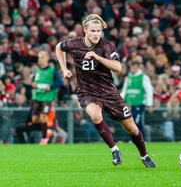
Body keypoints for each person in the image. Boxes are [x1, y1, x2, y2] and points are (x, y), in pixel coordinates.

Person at [55, 14, 156, 168]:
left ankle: (144, 156)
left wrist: (99, 58)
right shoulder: (74, 44)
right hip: (87, 92)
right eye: (93, 31)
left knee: (132, 128)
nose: (96, 34)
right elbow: (59, 47)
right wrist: (64, 69)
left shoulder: (105, 46)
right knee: (95, 115)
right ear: (85, 30)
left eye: (98, 31)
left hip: (109, 92)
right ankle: (114, 149)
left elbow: (118, 68)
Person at [31, 51, 62, 145]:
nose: (39, 59)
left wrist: (51, 87)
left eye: (42, 57)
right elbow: (35, 82)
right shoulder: (37, 70)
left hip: (47, 98)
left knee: (43, 118)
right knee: (34, 120)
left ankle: (44, 138)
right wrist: (33, 84)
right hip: (37, 97)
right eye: (39, 57)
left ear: (47, 59)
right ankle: (47, 131)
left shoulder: (52, 70)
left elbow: (59, 82)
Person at [120, 61, 153, 139]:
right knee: (136, 123)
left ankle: (137, 139)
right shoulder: (129, 77)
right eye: (132, 68)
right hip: (129, 104)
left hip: (139, 103)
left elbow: (149, 90)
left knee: (136, 122)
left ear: (138, 67)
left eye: (134, 68)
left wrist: (149, 104)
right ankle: (142, 139)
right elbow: (125, 90)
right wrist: (120, 101)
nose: (133, 69)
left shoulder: (143, 77)